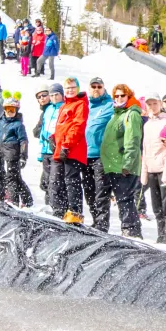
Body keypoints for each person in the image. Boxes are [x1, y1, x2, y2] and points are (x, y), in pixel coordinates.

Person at [100, 85, 144, 237]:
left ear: (128, 96)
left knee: (125, 198)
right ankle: (128, 227)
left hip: (124, 165)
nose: (119, 98)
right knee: (121, 198)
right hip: (113, 164)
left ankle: (131, 229)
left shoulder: (131, 114)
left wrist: (128, 163)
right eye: (116, 96)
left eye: (122, 96)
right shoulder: (117, 114)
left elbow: (133, 139)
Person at [140, 94, 166, 244]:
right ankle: (160, 233)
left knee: (165, 203)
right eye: (149, 104)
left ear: (160, 104)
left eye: (155, 103)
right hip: (151, 167)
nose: (152, 107)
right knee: (156, 205)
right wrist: (144, 170)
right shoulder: (147, 124)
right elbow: (145, 148)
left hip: (163, 167)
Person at [52, 77, 90, 224]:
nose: (70, 90)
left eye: (73, 87)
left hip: (73, 149)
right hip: (61, 148)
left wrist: (67, 144)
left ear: (78, 88)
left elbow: (78, 126)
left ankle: (75, 213)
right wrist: (54, 137)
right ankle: (61, 211)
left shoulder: (80, 104)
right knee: (58, 181)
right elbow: (62, 126)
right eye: (67, 88)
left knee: (71, 181)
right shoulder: (64, 106)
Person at [0, 91, 31, 207]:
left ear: (16, 110)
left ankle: (13, 200)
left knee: (11, 177)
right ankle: (27, 199)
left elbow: (23, 141)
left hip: (13, 154)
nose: (9, 112)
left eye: (12, 110)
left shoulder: (18, 125)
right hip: (2, 153)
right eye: (7, 109)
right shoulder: (0, 124)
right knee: (15, 177)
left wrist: (23, 156)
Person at [84, 77, 114, 231]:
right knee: (88, 190)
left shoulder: (109, 104)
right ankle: (95, 219)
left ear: (103, 88)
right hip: (86, 154)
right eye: (93, 86)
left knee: (101, 190)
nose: (96, 89)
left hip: (102, 154)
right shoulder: (86, 104)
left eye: (99, 86)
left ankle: (102, 224)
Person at [37, 84, 64, 214]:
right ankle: (49, 207)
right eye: (52, 95)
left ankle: (57, 209)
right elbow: (42, 130)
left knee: (55, 182)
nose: (54, 98)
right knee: (47, 182)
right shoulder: (48, 110)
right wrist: (41, 151)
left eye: (56, 95)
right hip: (46, 150)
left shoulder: (63, 108)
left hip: (56, 150)